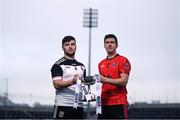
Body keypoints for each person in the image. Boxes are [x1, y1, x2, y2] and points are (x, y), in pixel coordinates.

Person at [50, 35, 86, 119]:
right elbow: (56, 84)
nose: (70, 47)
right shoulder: (57, 65)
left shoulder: (82, 66)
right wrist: (72, 81)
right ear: (62, 47)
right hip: (63, 105)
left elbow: (82, 85)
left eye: (72, 44)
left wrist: (88, 94)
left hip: (79, 106)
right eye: (67, 44)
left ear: (76, 47)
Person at [98, 34, 131, 119]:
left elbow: (124, 81)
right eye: (107, 42)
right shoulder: (101, 64)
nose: (109, 44)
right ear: (104, 45)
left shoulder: (123, 60)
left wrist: (105, 79)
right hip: (103, 103)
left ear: (116, 45)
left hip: (118, 102)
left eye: (112, 42)